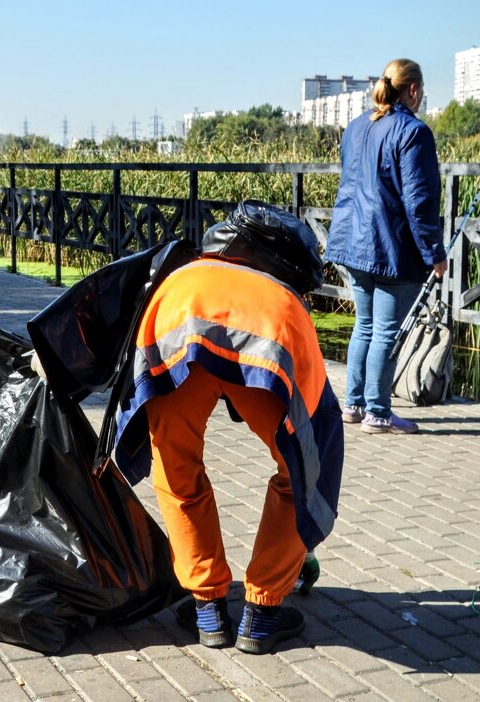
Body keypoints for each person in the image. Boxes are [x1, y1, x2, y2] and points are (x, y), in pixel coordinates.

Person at [112, 201, 344, 655]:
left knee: (176, 471)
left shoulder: (186, 270)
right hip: (271, 338)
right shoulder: (284, 297)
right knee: (299, 471)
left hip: (177, 323)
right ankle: (261, 616)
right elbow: (317, 438)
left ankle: (207, 611)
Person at [324, 58, 447, 435]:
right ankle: (378, 413)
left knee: (364, 326)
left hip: (351, 241)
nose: (422, 96)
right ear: (412, 89)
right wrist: (435, 254)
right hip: (391, 248)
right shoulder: (414, 133)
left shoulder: (357, 126)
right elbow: (419, 201)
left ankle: (354, 406)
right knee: (385, 333)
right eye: (422, 89)